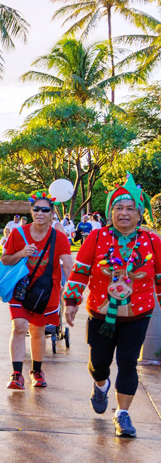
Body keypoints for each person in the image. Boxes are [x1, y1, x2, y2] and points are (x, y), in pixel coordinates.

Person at [63, 174, 161, 438]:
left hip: (138, 315)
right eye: (119, 207)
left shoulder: (153, 242)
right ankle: (100, 384)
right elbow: (80, 272)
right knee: (99, 364)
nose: (124, 213)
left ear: (140, 214)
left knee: (128, 363)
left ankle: (123, 414)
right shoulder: (95, 238)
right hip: (101, 314)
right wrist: (71, 303)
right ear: (110, 212)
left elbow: (160, 277)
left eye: (130, 208)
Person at [1, 192, 73, 390]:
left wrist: (74, 292)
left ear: (52, 214)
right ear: (31, 212)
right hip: (20, 289)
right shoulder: (18, 233)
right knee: (19, 326)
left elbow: (68, 265)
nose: (40, 213)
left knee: (38, 331)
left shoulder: (59, 237)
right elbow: (5, 259)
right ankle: (16, 374)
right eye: (36, 209)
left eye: (45, 210)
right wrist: (21, 253)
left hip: (46, 292)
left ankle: (36, 371)